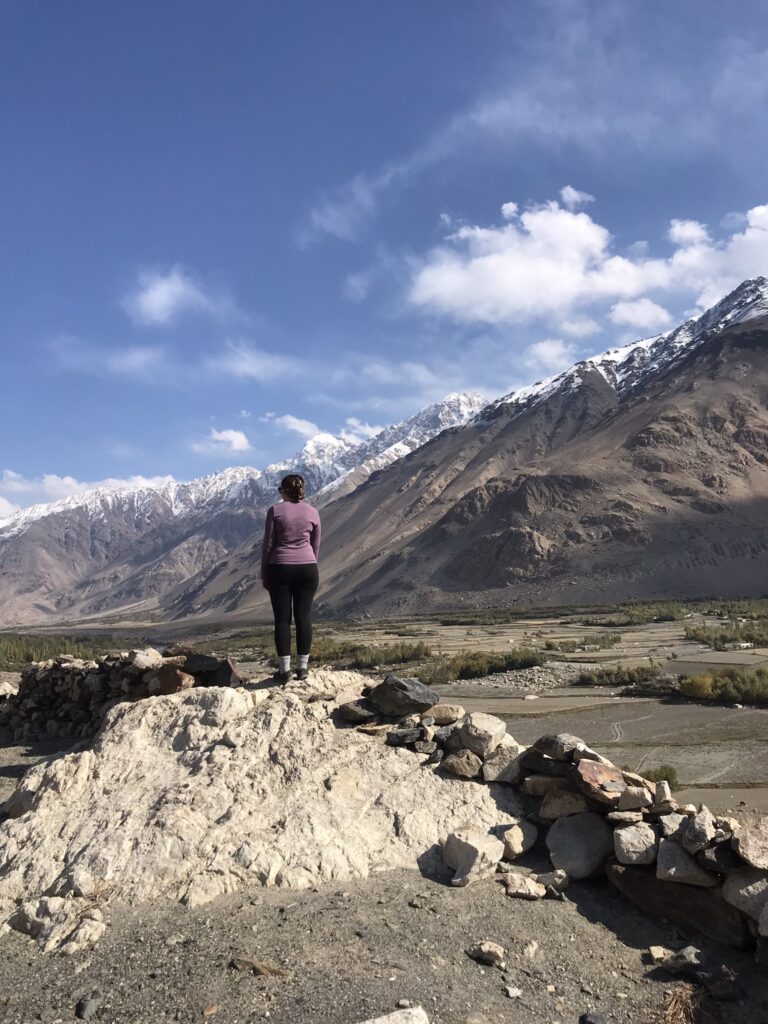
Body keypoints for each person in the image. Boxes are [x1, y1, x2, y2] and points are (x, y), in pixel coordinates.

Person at [260, 474, 321, 683]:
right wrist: (309, 561)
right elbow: (316, 544)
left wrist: (264, 572)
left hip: (280, 567)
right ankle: (302, 668)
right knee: (304, 616)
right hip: (308, 568)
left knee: (282, 619)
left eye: (280, 490)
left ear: (284, 491)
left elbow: (268, 545)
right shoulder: (313, 512)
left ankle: (284, 671)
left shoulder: (275, 511)